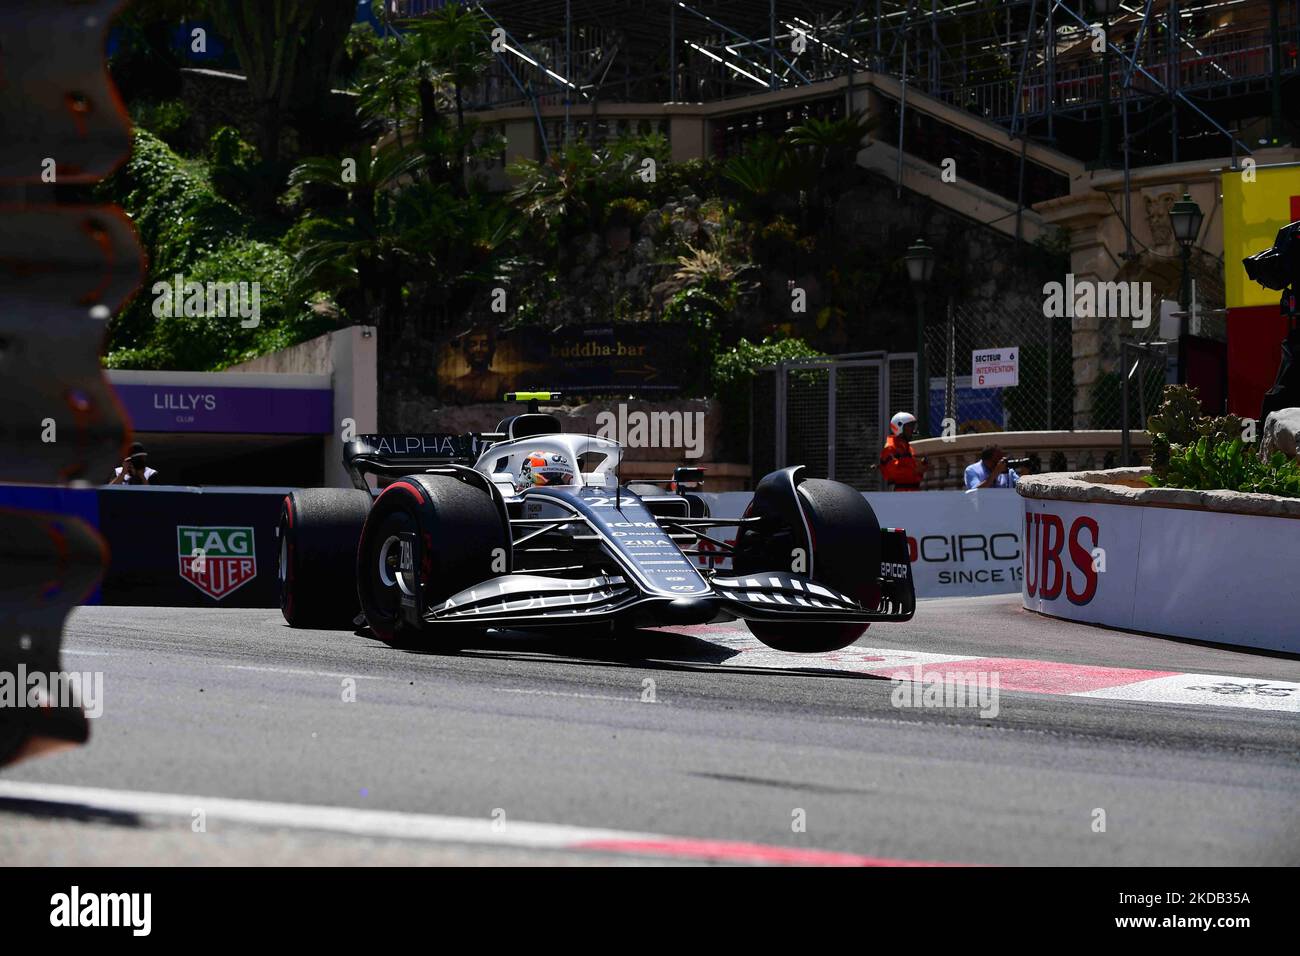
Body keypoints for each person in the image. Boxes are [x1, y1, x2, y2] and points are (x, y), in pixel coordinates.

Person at [879, 412, 928, 491]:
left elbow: (915, 471)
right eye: (909, 426)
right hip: (900, 492)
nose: (912, 430)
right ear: (899, 427)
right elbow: (893, 472)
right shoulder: (890, 448)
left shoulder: (908, 448)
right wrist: (915, 470)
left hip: (912, 491)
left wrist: (922, 466)